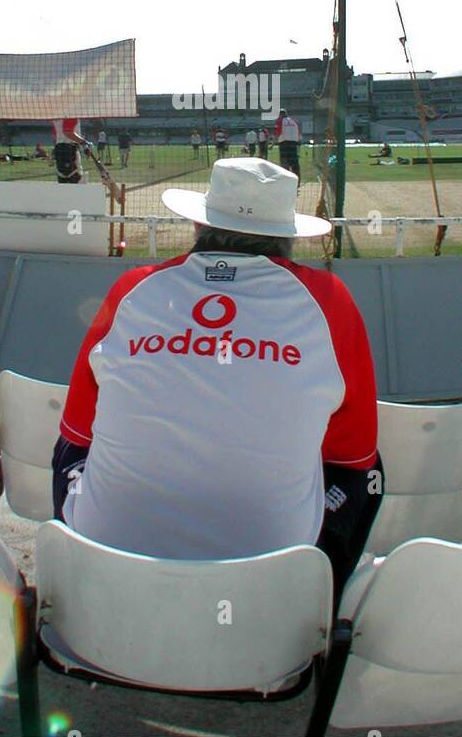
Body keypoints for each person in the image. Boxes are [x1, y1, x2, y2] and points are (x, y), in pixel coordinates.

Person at [51, 158, 381, 600]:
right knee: (371, 472)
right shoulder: (329, 301)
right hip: (266, 590)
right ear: (287, 238)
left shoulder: (133, 287)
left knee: (70, 444)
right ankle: (312, 618)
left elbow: (79, 428)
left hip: (105, 580)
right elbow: (352, 455)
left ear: (198, 226)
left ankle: (75, 589)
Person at [52, 118, 84, 184]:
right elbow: (68, 132)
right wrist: (84, 143)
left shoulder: (56, 115)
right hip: (69, 148)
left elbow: (55, 134)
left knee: (63, 177)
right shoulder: (71, 113)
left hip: (60, 147)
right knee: (75, 178)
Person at [275, 108, 302, 181]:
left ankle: (286, 181)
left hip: (284, 144)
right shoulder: (294, 121)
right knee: (295, 164)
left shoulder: (280, 121)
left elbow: (278, 132)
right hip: (293, 144)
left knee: (284, 164)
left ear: (280, 115)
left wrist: (275, 140)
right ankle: (297, 181)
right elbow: (299, 132)